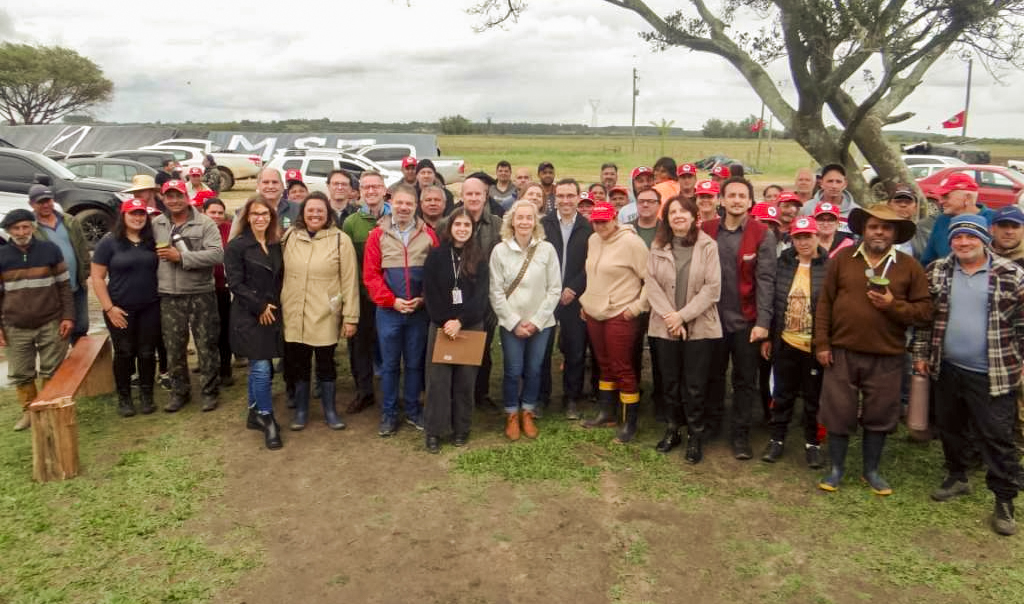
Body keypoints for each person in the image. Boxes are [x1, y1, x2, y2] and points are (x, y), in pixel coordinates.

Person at [913, 214, 1024, 535]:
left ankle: (1004, 499)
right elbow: (925, 320)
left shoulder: (1010, 274)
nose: (963, 243)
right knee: (950, 428)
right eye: (957, 237)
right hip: (946, 367)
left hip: (993, 372)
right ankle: (957, 475)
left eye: (970, 237)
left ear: (984, 239)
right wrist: (921, 354)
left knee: (996, 436)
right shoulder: (938, 271)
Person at [815, 204, 931, 494]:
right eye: (874, 226)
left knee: (880, 414)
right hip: (842, 350)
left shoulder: (909, 267)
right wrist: (821, 343)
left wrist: (893, 306)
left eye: (886, 227)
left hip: (887, 355)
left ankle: (871, 471)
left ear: (895, 233)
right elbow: (825, 303)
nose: (879, 232)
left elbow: (925, 312)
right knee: (839, 411)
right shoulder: (843, 259)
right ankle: (837, 469)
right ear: (864, 230)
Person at [701, 177, 777, 458]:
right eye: (730, 195)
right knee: (713, 376)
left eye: (741, 196)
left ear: (749, 201)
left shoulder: (761, 234)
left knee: (745, 381)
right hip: (712, 319)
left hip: (746, 322)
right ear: (721, 200)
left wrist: (763, 323)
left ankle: (740, 435)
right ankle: (712, 424)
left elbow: (766, 281)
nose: (736, 200)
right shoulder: (706, 230)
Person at [646, 196, 721, 463]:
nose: (678, 215)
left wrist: (682, 317)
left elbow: (712, 289)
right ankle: (672, 429)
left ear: (693, 216)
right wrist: (671, 318)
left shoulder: (708, 246)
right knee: (670, 382)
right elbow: (651, 284)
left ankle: (695, 436)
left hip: (699, 327)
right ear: (666, 218)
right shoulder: (657, 246)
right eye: (672, 211)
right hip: (665, 327)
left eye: (683, 211)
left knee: (695, 385)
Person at [281, 192, 360, 431]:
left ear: (328, 214)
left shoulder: (340, 240)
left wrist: (351, 317)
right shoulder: (290, 237)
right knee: (299, 363)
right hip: (295, 311)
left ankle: (330, 410)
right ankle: (303, 411)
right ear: (302, 213)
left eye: (320, 211)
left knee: (325, 363)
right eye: (310, 210)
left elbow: (349, 281)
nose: (315, 214)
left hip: (325, 312)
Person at [364, 184, 439, 435]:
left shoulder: (428, 234)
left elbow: (437, 275)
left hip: (418, 312)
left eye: (409, 203)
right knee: (390, 364)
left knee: (415, 363)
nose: (404, 207)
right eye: (399, 203)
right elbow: (371, 276)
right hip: (389, 312)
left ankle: (413, 409)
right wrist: (391, 301)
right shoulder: (377, 235)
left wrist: (422, 299)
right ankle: (389, 413)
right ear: (391, 202)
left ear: (416, 206)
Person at [489, 200, 561, 440]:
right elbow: (495, 292)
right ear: (512, 221)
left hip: (541, 323)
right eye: (519, 218)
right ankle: (511, 413)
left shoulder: (547, 249)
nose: (524, 222)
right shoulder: (500, 250)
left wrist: (537, 321)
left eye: (529, 218)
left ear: (535, 221)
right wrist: (513, 322)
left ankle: (528, 411)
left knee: (534, 369)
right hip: (512, 324)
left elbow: (554, 289)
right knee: (513, 370)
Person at [760, 216, 828, 467]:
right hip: (785, 340)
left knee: (813, 397)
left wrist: (826, 344)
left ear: (816, 237)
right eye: (798, 237)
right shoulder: (784, 263)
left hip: (813, 345)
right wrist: (768, 335)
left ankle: (812, 442)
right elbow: (773, 302)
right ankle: (777, 439)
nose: (803, 242)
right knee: (782, 394)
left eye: (808, 236)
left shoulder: (828, 267)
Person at [580, 202, 650, 443]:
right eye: (596, 222)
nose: (600, 226)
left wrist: (637, 308)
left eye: (605, 221)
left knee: (622, 366)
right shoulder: (593, 240)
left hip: (620, 312)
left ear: (615, 219)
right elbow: (592, 274)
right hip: (594, 312)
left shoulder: (632, 242)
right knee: (604, 363)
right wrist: (586, 302)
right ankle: (606, 413)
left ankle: (630, 422)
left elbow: (650, 279)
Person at [152, 180, 224, 413]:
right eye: (169, 196)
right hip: (170, 295)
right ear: (162, 198)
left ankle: (209, 392)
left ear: (187, 196)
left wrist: (182, 258)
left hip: (200, 292)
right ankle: (179, 392)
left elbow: (216, 255)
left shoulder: (205, 223)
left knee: (206, 345)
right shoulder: (157, 224)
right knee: (173, 347)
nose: (174, 200)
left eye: (178, 195)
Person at [422, 208, 490, 453]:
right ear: (450, 228)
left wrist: (460, 321)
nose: (462, 229)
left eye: (467, 225)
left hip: (469, 327)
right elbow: (430, 294)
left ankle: (461, 428)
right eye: (458, 224)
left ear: (472, 230)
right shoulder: (437, 256)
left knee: (465, 381)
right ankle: (434, 430)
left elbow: (481, 297)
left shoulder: (479, 258)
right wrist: (446, 321)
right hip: (441, 327)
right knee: (437, 381)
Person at [0, 209, 73, 431]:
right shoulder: (1, 256)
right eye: (16, 228)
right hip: (15, 324)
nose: (22, 232)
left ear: (33, 227)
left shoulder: (50, 250)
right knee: (21, 372)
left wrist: (68, 316)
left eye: (25, 227)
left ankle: (48, 410)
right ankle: (29, 412)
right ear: (8, 231)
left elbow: (64, 286)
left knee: (52, 370)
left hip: (50, 320)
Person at [90, 199, 160, 417]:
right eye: (133, 213)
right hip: (120, 308)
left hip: (150, 305)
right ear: (123, 216)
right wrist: (109, 308)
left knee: (147, 352)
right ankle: (125, 398)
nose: (138, 218)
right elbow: (97, 277)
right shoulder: (109, 242)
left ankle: (147, 396)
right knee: (124, 352)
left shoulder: (151, 240)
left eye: (141, 214)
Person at [226, 197, 284, 450]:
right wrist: (259, 306)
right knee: (261, 367)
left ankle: (253, 412)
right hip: (248, 315)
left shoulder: (275, 245)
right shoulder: (237, 247)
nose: (260, 218)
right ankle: (266, 416)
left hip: (272, 313)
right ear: (246, 217)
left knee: (258, 365)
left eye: (265, 214)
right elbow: (235, 284)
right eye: (255, 214)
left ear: (271, 217)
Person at [441, 177, 502, 410]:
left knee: (483, 350)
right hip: (455, 299)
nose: (474, 198)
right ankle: (456, 396)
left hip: (486, 299)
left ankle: (481, 394)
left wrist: (495, 304)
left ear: (486, 195)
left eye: (479, 194)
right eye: (469, 194)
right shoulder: (449, 222)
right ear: (462, 196)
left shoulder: (497, 224)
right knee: (453, 346)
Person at [540, 179, 592, 419]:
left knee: (575, 349)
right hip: (545, 296)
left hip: (575, 297)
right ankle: (541, 397)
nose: (565, 201)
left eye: (570, 196)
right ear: (554, 199)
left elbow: (591, 264)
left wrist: (574, 288)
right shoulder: (543, 225)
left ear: (579, 197)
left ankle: (571, 398)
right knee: (543, 348)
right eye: (561, 196)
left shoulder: (588, 227)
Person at [341, 170, 391, 414]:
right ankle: (364, 392)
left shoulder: (398, 216)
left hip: (391, 296)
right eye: (366, 187)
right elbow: (347, 263)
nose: (371, 191)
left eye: (376, 186)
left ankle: (394, 393)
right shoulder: (351, 223)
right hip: (362, 295)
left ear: (384, 189)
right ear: (359, 191)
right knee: (359, 346)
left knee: (391, 344)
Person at [28, 185, 89, 344]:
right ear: (31, 204)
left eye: (48, 200)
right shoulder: (30, 228)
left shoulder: (69, 220)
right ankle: (62, 363)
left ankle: (81, 361)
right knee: (59, 330)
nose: (46, 205)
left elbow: (82, 248)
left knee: (81, 326)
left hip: (77, 285)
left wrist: (85, 271)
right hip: (52, 290)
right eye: (40, 202)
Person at [921, 173, 996, 265]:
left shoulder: (995, 219)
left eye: (946, 196)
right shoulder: (941, 220)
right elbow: (927, 260)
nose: (940, 201)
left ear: (967, 198)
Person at [202, 197, 234, 387]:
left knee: (223, 329)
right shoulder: (198, 230)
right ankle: (208, 368)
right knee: (206, 331)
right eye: (212, 212)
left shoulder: (229, 229)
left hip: (224, 287)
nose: (216, 216)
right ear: (204, 213)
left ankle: (225, 369)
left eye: (220, 212)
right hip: (202, 288)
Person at [800, 164, 857, 229]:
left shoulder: (855, 212)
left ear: (845, 184)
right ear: (821, 183)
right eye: (830, 181)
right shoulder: (807, 208)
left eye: (838, 182)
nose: (834, 186)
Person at [886, 184, 928, 259]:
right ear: (889, 205)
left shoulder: (923, 235)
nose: (903, 205)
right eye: (898, 202)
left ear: (915, 207)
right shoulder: (876, 230)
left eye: (908, 202)